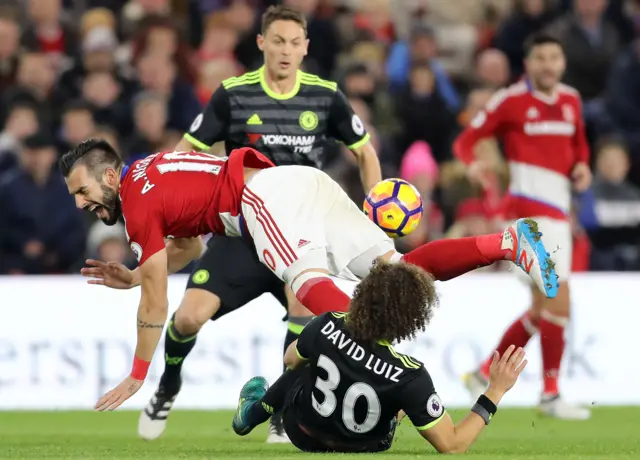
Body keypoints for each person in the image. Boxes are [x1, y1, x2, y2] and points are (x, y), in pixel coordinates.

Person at [59, 139, 557, 416]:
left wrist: (137, 374)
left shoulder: (135, 200)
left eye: (82, 191)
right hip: (304, 181)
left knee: (305, 283)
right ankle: (506, 244)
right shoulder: (150, 171)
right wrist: (141, 273)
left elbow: (155, 303)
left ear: (108, 177)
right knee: (396, 273)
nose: (81, 204)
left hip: (262, 199)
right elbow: (187, 245)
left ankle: (384, 367)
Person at [161, 5, 383, 443]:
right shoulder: (233, 94)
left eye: (294, 43)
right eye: (277, 41)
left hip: (301, 232)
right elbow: (185, 150)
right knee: (188, 318)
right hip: (242, 229)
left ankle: (284, 411)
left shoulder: (325, 95)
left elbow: (365, 151)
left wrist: (372, 205)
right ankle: (169, 378)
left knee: (304, 314)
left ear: (306, 48)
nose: (285, 51)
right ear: (261, 43)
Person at [231, 261, 528, 454]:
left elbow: (290, 359)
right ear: (413, 317)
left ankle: (253, 414)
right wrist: (494, 392)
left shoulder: (327, 323)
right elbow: (452, 445)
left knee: (303, 363)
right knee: (406, 400)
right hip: (367, 445)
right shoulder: (410, 374)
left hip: (304, 433)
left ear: (363, 294)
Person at [453, 33, 592, 420]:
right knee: (559, 300)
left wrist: (582, 165)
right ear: (528, 64)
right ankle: (550, 394)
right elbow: (467, 141)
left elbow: (580, 146)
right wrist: (473, 165)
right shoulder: (510, 101)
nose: (548, 64)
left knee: (541, 308)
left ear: (562, 62)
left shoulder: (570, 100)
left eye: (554, 57)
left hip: (560, 214)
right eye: (541, 58)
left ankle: (484, 373)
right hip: (529, 218)